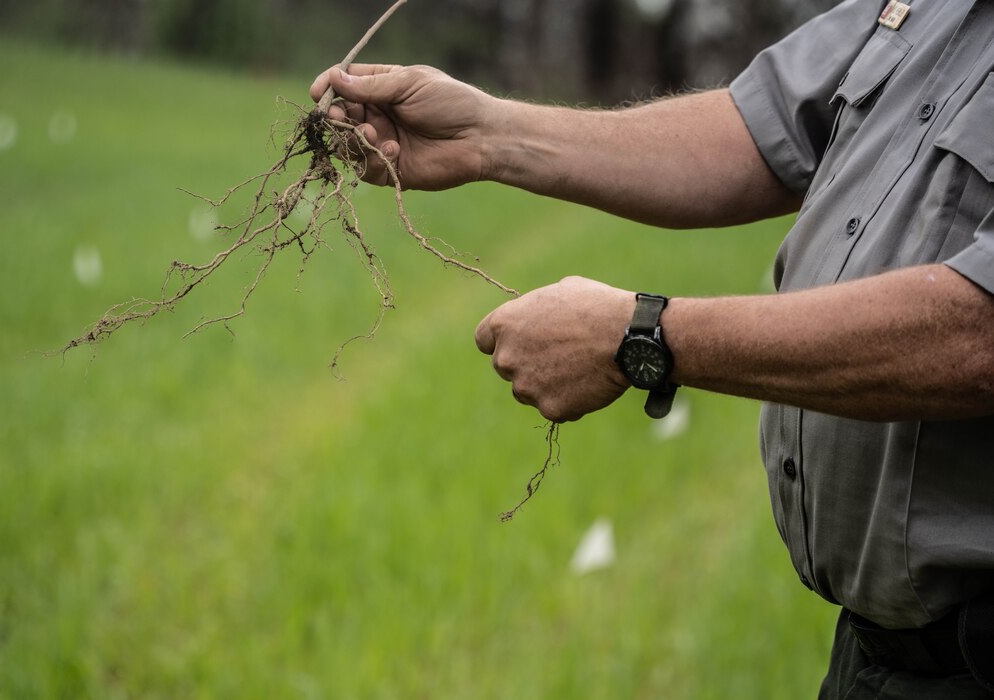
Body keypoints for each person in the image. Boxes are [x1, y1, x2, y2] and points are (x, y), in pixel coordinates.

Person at [310, 0, 994, 696]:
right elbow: (757, 129)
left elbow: (980, 333)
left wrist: (641, 336)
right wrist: (489, 133)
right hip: (882, 659)